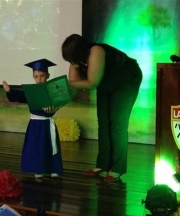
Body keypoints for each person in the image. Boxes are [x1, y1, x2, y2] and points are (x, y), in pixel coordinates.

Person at [61, 34, 142, 182]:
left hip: (126, 79)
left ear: (78, 51)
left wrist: (68, 84)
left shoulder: (96, 51)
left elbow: (92, 82)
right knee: (103, 122)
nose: (70, 62)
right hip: (107, 82)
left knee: (117, 123)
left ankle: (117, 168)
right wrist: (57, 99)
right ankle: (103, 164)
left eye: (70, 58)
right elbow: (73, 84)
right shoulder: (76, 61)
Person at [2, 58, 63, 178]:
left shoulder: (52, 90)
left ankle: (53, 168)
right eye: (36, 76)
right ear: (33, 77)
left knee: (50, 146)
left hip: (47, 124)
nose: (39, 79)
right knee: (36, 147)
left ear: (48, 76)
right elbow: (20, 96)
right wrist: (9, 91)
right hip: (35, 125)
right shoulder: (31, 91)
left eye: (42, 75)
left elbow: (59, 102)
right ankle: (38, 168)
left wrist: (54, 109)